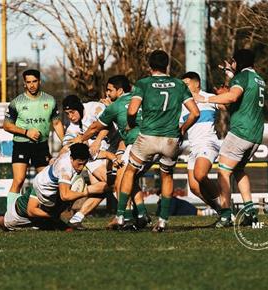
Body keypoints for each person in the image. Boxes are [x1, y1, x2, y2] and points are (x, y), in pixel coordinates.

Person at [121, 50, 200, 232]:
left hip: (148, 136)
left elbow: (132, 111)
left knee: (130, 171)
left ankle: (120, 216)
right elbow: (195, 113)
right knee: (166, 175)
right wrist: (183, 128)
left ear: (150, 66)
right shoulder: (179, 84)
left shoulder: (143, 83)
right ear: (167, 65)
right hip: (171, 139)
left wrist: (132, 125)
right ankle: (162, 221)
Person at [192, 49, 265, 227]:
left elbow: (232, 97)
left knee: (223, 171)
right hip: (256, 134)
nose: (231, 64)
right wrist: (228, 79)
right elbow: (237, 103)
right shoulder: (259, 79)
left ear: (238, 63)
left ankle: (225, 214)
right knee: (239, 170)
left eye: (233, 62)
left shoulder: (242, 78)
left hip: (240, 132)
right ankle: (250, 213)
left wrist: (204, 99)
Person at [71, 75, 151, 229]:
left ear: (120, 90)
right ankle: (141, 214)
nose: (107, 94)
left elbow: (97, 127)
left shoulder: (107, 107)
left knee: (120, 179)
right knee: (127, 178)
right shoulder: (140, 99)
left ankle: (125, 217)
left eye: (110, 90)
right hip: (152, 142)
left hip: (134, 145)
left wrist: (82, 139)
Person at [0, 143, 116, 231]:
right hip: (40, 192)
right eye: (79, 164)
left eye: (84, 163)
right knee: (7, 224)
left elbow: (101, 153)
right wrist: (86, 191)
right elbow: (64, 196)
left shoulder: (80, 153)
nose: (81, 168)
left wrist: (114, 158)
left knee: (61, 224)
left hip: (53, 192)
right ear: (71, 159)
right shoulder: (65, 169)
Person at [3, 69, 64, 210]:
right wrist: (26, 132)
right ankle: (10, 216)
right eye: (28, 82)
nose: (31, 85)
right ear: (24, 83)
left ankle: (46, 213)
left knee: (47, 180)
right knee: (18, 180)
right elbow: (6, 125)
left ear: (39, 81)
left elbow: (56, 123)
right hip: (21, 145)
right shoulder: (17, 102)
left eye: (34, 81)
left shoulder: (49, 100)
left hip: (41, 146)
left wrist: (66, 142)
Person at [61, 95, 111, 230]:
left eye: (72, 112)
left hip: (112, 148)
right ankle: (127, 217)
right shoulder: (72, 127)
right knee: (115, 182)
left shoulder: (95, 108)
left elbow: (108, 123)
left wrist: (97, 140)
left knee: (103, 189)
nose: (70, 116)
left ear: (80, 108)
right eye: (67, 114)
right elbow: (68, 144)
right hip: (94, 158)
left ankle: (76, 219)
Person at [180, 72, 224, 215]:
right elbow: (180, 127)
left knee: (200, 174)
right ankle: (219, 209)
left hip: (207, 142)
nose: (183, 87)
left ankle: (225, 207)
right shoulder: (183, 105)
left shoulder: (208, 97)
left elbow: (226, 106)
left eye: (186, 84)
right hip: (194, 147)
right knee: (194, 187)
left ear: (196, 84)